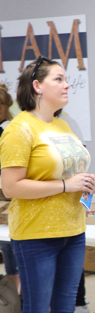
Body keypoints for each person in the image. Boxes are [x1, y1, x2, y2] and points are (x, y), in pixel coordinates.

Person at [0, 56, 95, 313]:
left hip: (72, 230)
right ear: (37, 86)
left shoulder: (63, 125)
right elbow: (11, 187)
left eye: (65, 78)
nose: (66, 84)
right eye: (58, 79)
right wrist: (67, 185)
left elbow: (66, 171)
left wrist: (87, 181)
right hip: (36, 235)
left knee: (64, 312)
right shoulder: (19, 130)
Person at [0, 83, 19, 294]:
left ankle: (19, 295)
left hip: (8, 193)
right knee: (5, 245)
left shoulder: (8, 130)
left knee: (11, 243)